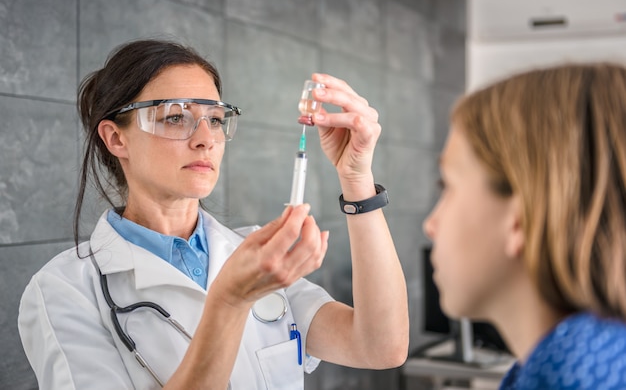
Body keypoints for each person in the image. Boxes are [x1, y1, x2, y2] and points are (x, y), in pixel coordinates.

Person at [18, 39, 409, 389]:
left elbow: (379, 347)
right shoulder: (63, 290)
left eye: (216, 119)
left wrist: (357, 179)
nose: (206, 139)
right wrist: (230, 302)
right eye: (175, 116)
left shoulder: (257, 254)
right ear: (116, 138)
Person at [423, 62, 626, 389]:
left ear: (519, 220)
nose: (430, 225)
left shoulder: (572, 374)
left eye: (447, 186)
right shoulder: (571, 360)